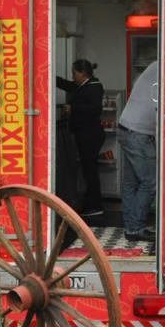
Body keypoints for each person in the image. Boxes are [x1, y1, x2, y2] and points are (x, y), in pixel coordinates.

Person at [57, 59, 105, 217]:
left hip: (90, 135)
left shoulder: (94, 87)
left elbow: (95, 109)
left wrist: (73, 108)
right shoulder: (84, 86)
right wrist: (50, 76)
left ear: (83, 73)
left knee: (90, 171)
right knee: (87, 170)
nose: (73, 76)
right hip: (85, 134)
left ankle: (95, 205)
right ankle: (90, 204)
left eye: (74, 73)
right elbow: (67, 85)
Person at [118, 60, 159, 242]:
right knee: (150, 183)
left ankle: (130, 225)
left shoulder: (155, 66)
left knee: (131, 182)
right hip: (139, 133)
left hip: (127, 127)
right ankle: (135, 228)